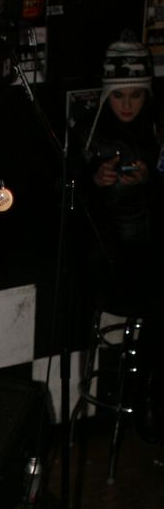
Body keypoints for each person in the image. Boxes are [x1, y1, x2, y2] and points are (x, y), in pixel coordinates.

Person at [68, 30, 164, 442]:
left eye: (135, 95)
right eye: (119, 95)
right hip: (105, 261)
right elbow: (67, 202)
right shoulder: (88, 132)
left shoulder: (157, 132)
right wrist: (94, 180)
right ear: (107, 94)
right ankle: (145, 403)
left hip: (149, 255)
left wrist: (151, 180)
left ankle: (148, 399)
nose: (127, 104)